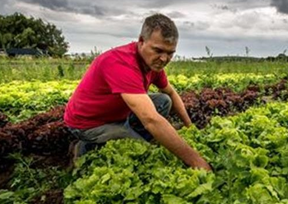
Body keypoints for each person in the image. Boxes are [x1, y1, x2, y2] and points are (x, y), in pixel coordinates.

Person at [64, 13, 212, 171]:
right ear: (141, 41)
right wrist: (197, 162)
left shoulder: (152, 63)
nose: (164, 59)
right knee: (143, 151)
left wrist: (190, 126)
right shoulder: (121, 63)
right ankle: (84, 147)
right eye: (158, 50)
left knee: (163, 101)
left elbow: (170, 93)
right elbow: (151, 120)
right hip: (89, 123)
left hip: (117, 114)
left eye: (170, 53)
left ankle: (126, 133)